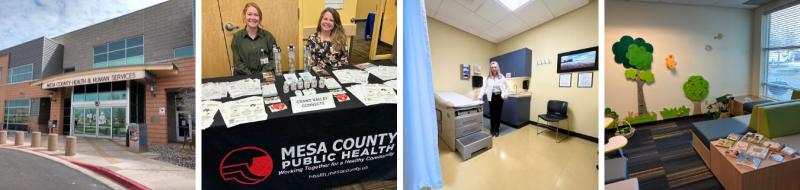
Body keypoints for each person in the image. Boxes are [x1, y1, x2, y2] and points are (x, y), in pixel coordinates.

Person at [231, 2, 278, 75]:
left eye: (256, 15)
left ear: (260, 18)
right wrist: (252, 77)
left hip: (265, 75)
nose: (252, 18)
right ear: (244, 16)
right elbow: (237, 63)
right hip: (244, 76)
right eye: (249, 14)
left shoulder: (268, 37)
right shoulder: (237, 38)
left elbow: (274, 59)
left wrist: (261, 74)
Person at [476, 62, 509, 137]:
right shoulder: (487, 78)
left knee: (498, 113)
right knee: (492, 113)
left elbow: (507, 87)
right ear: (490, 69)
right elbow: (484, 88)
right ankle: (492, 129)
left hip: (499, 97)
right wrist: (479, 96)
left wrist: (506, 94)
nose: (494, 68)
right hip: (491, 97)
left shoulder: (501, 77)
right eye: (492, 67)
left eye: (495, 67)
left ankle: (496, 130)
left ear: (497, 68)